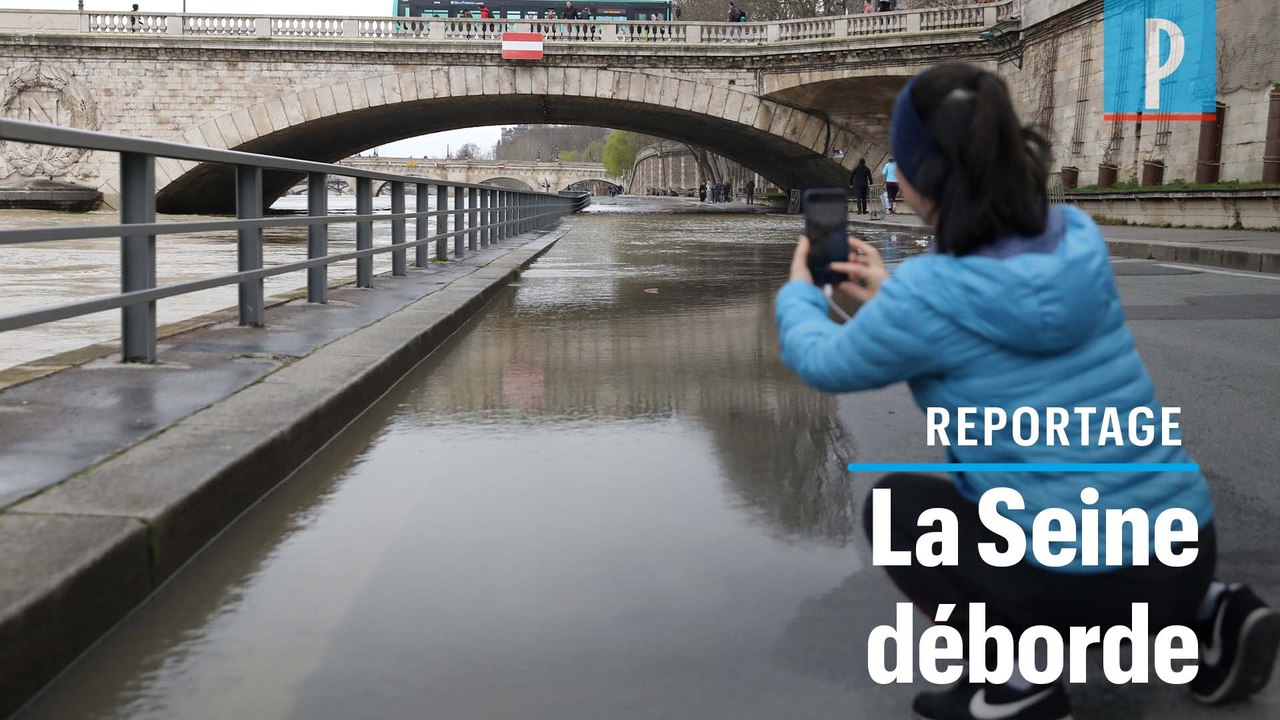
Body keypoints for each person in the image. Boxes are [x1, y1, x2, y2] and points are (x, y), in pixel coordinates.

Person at [775, 61, 1279, 720]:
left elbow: (821, 360)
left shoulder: (933, 295)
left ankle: (1019, 682)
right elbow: (991, 339)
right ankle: (1213, 612)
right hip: (1185, 550)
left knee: (899, 509)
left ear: (923, 180)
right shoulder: (1079, 240)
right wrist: (893, 300)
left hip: (1076, 592)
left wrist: (799, 291)